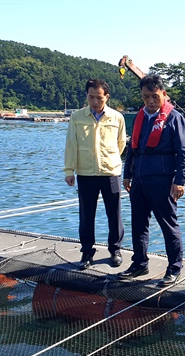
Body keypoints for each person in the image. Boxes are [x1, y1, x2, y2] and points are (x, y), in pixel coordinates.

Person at [119, 74, 185, 287]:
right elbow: (133, 148)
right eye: (146, 96)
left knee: (168, 225)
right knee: (138, 225)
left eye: (154, 96)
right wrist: (127, 174)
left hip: (163, 181)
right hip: (139, 180)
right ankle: (140, 263)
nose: (150, 101)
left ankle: (174, 267)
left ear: (164, 95)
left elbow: (183, 152)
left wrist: (180, 180)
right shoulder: (140, 117)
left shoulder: (174, 118)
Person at [64, 79, 126, 270]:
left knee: (114, 214)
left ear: (106, 97)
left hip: (111, 172)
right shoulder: (77, 117)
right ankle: (87, 252)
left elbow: (121, 144)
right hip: (85, 173)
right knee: (86, 214)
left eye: (99, 97)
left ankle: (115, 250)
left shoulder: (117, 118)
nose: (95, 101)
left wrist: (110, 159)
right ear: (87, 96)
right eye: (91, 97)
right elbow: (71, 145)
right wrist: (69, 170)